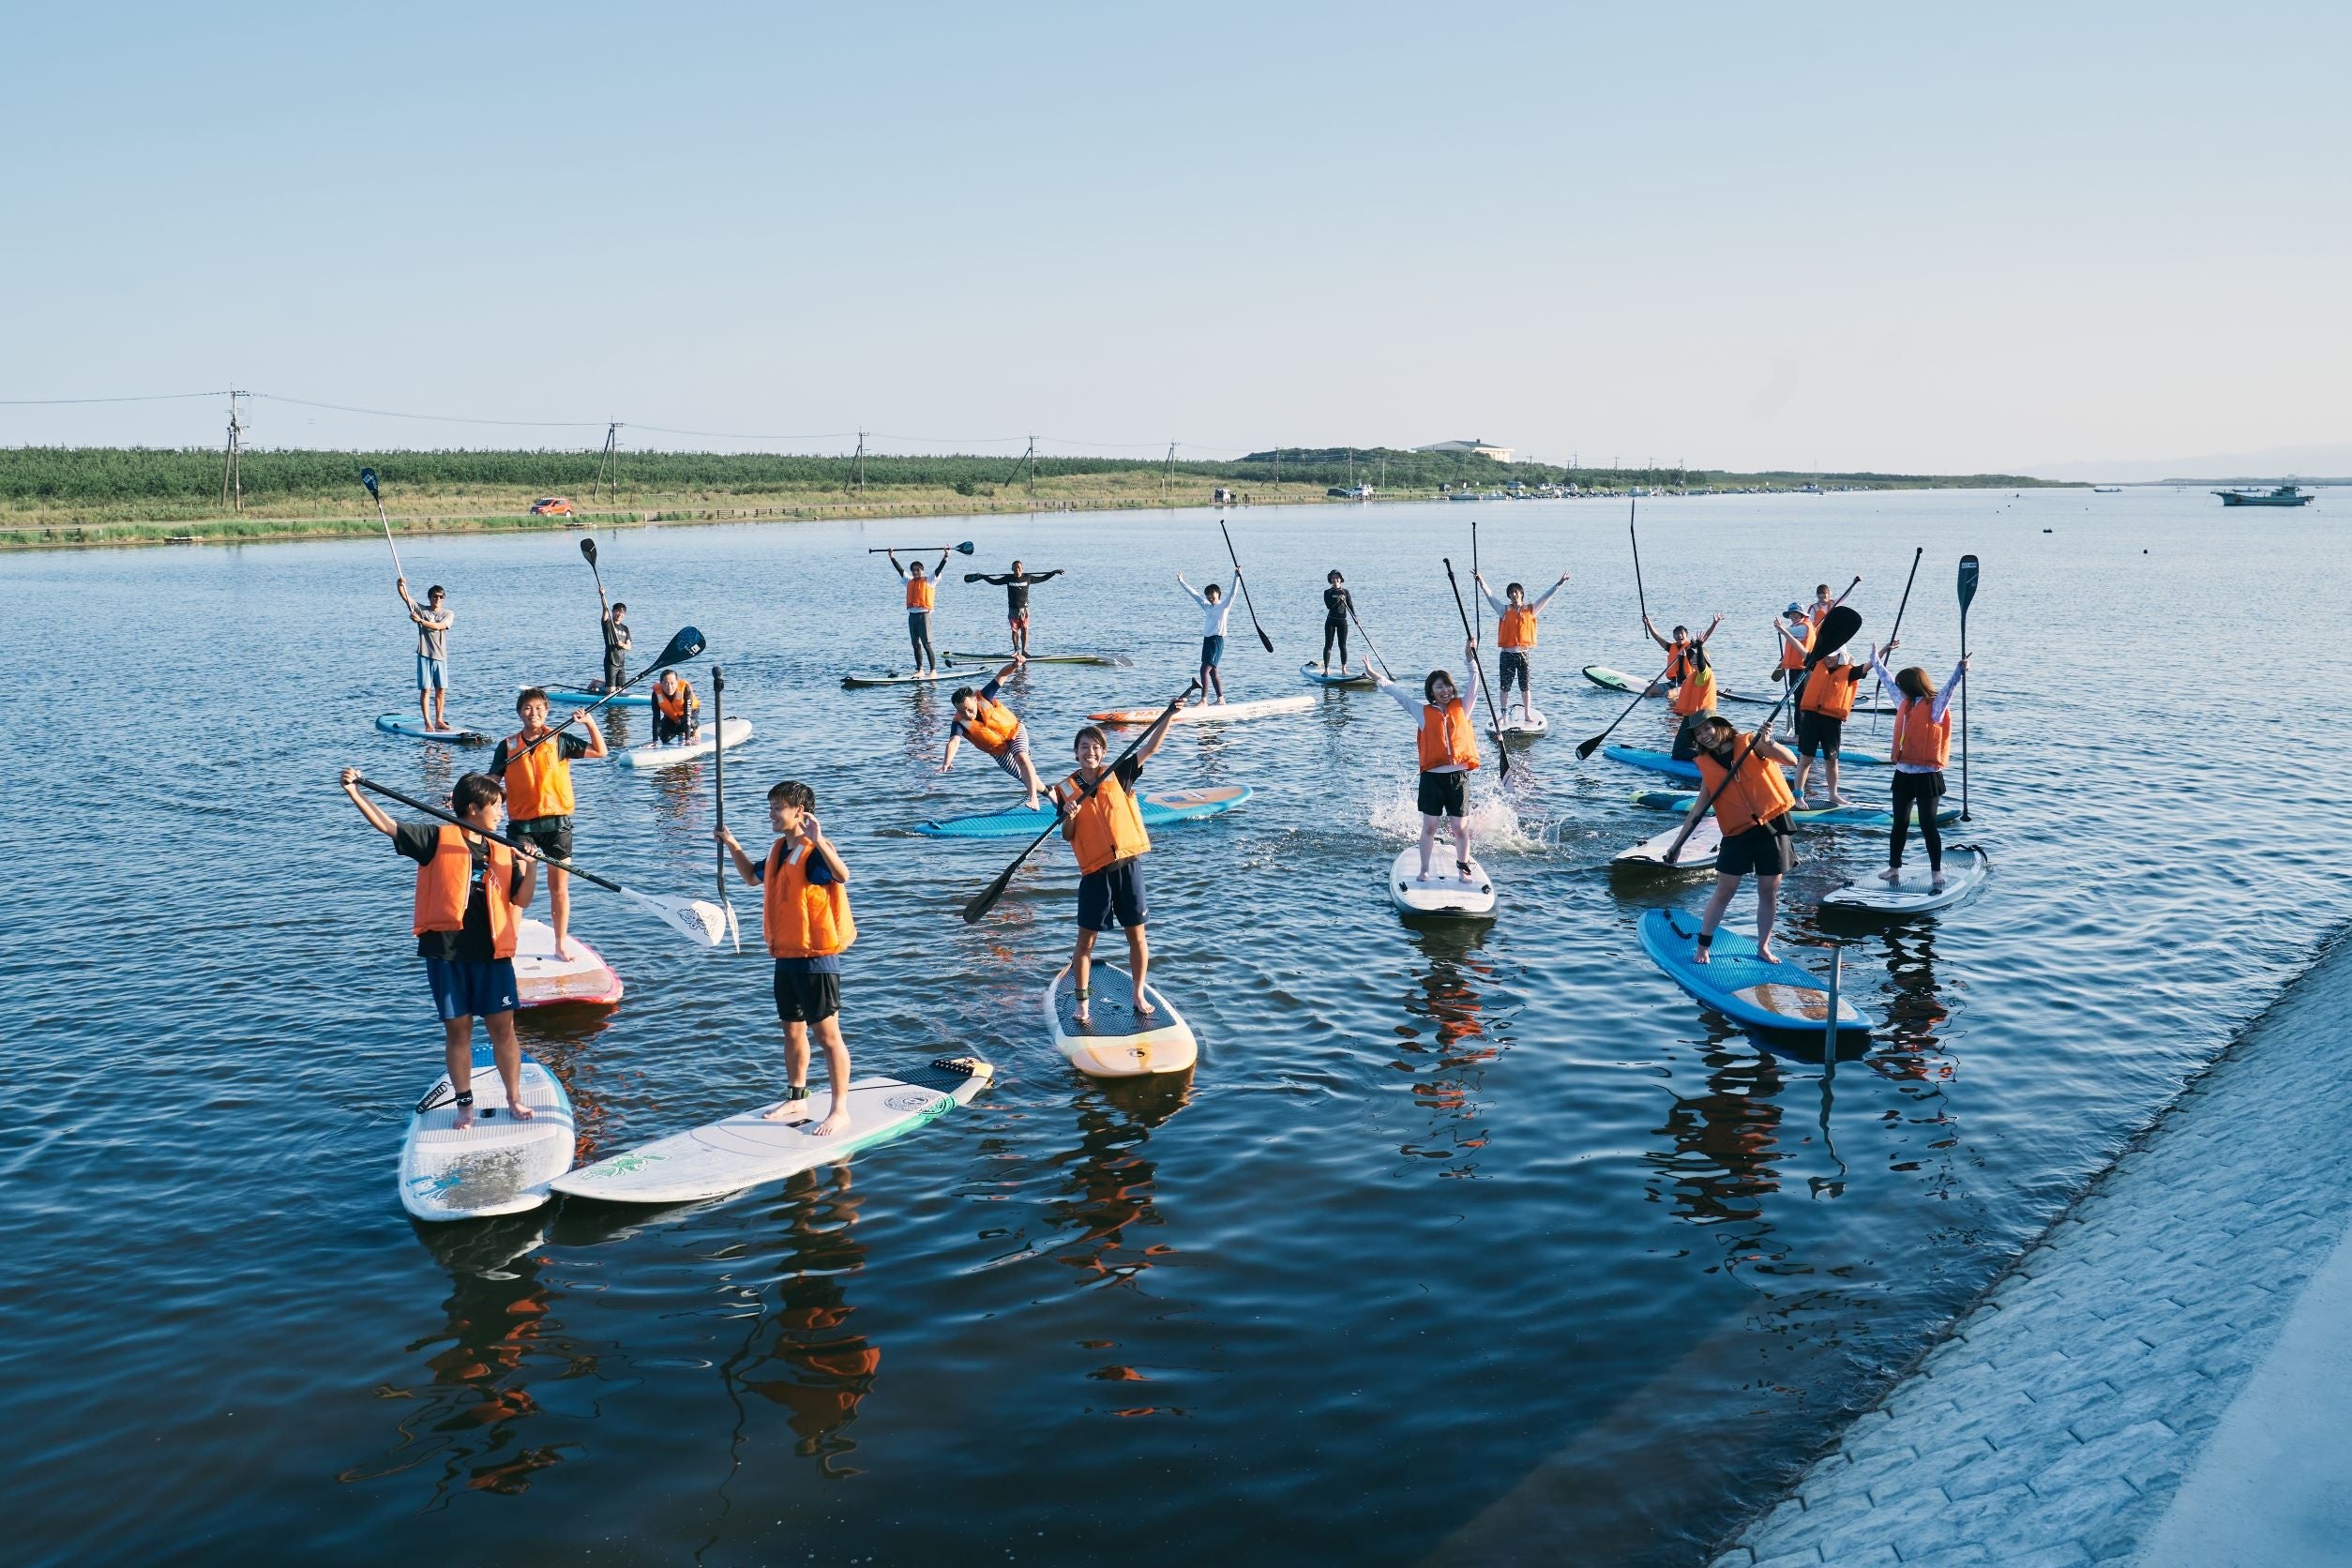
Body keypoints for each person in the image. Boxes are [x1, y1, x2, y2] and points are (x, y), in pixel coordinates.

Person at [341, 766, 537, 1131]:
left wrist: (532, 867)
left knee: (503, 1030)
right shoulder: (435, 837)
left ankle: (514, 1097)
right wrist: (355, 792)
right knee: (458, 1032)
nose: (501, 813)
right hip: (447, 953)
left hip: (492, 954)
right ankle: (465, 1105)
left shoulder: (504, 849)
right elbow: (388, 826)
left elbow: (521, 899)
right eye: (496, 806)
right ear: (475, 808)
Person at [716, 780, 853, 1137]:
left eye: (778, 807)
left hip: (816, 959)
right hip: (786, 957)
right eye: (771, 806)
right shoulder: (779, 850)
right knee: (792, 1032)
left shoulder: (813, 854)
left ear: (800, 812)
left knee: (827, 1036)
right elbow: (750, 877)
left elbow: (843, 875)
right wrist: (732, 845)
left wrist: (820, 838)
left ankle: (840, 1110)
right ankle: (797, 1097)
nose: (772, 813)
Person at [1053, 701, 1185, 1022]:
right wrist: (1070, 815)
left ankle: (1138, 992)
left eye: (1096, 747)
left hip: (1127, 868)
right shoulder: (1065, 791)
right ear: (1076, 753)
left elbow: (1150, 748)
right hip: (1095, 875)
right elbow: (1067, 834)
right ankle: (1082, 1003)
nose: (1091, 752)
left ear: (1103, 752)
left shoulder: (1120, 773)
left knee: (1137, 936)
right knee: (1085, 943)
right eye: (1084, 747)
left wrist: (1168, 715)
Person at [1674, 714, 1801, 965]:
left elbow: (1792, 760)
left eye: (1706, 729)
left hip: (1772, 826)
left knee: (1768, 891)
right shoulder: (1707, 763)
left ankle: (1763, 947)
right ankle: (1703, 947)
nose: (1704, 736)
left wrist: (1770, 742)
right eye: (1698, 735)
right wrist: (1677, 846)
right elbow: (1697, 811)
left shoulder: (1752, 742)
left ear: (1720, 727)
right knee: (1725, 890)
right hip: (1738, 832)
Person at [491, 688, 608, 960]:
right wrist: (463, 796)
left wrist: (589, 723)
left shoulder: (560, 740)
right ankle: (509, 941)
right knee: (516, 889)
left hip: (558, 827)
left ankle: (560, 944)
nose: (534, 713)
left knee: (559, 889)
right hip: (522, 828)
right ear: (520, 712)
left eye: (539, 708)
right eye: (528, 708)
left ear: (547, 711)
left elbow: (601, 752)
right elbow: (492, 782)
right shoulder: (507, 746)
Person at [1375, 641, 1484, 882]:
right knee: (1430, 827)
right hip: (1432, 778)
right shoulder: (1422, 712)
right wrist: (1377, 677)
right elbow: (1399, 695)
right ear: (1431, 692)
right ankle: (1424, 870)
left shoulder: (1463, 708)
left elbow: (1475, 683)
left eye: (1447, 686)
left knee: (1460, 828)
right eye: (1438, 687)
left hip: (1458, 778)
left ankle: (1462, 870)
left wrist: (1470, 658)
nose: (1444, 691)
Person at [1869, 641, 1969, 889]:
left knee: (1927, 824)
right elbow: (1887, 680)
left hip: (1927, 776)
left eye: (1903, 686)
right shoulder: (1902, 701)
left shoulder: (1934, 706)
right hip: (1903, 773)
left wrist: (1959, 670)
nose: (1899, 690)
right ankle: (1894, 868)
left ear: (1912, 685)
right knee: (1899, 823)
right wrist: (1875, 659)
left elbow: (1949, 690)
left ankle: (1936, 871)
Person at [942, 661, 1047, 810]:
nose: (967, 714)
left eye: (969, 709)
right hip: (998, 750)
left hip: (1014, 731)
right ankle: (1052, 794)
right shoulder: (959, 723)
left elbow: (1001, 675)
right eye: (961, 711)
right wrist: (947, 762)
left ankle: (1033, 799)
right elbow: (953, 742)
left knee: (1022, 757)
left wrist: (1015, 665)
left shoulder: (985, 696)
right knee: (1026, 778)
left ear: (974, 700)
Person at [1476, 566, 1570, 723]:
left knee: (1525, 687)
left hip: (1523, 654)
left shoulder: (1531, 609)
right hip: (1507, 654)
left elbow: (1545, 597)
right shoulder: (1504, 610)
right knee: (1504, 687)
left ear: (1521, 593)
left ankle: (1527, 714)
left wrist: (1559, 584)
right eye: (1511, 592)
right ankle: (1504, 715)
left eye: (1516, 592)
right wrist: (1481, 581)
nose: (1513, 594)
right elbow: (1490, 596)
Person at [1792, 645, 1868, 806]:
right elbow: (1802, 652)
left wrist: (1882, 652)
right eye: (1826, 655)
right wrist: (1784, 632)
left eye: (1832, 656)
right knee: (1806, 759)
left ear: (1841, 656)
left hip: (1832, 722)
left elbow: (1869, 666)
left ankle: (1833, 795)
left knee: (1832, 760)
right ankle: (1798, 796)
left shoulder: (1850, 672)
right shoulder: (1817, 664)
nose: (1828, 658)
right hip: (1811, 719)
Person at [972, 560, 1063, 660]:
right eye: (1015, 568)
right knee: (1014, 631)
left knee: (1025, 629)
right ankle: (1016, 650)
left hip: (1025, 610)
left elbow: (1043, 578)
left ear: (1022, 569)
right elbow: (995, 582)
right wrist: (983, 576)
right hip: (1013, 610)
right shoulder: (1008, 578)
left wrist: (1054, 572)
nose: (1017, 569)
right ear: (1012, 569)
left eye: (1019, 568)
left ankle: (1024, 651)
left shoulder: (1028, 577)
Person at [399, 579, 454, 731]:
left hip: (440, 656)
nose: (438, 599)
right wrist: (400, 586)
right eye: (435, 596)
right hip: (424, 654)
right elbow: (406, 598)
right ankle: (427, 721)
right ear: (430, 597)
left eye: (441, 597)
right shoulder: (421, 610)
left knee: (441, 689)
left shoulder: (448, 613)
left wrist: (421, 622)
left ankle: (439, 720)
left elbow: (439, 626)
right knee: (426, 689)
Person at [1177, 571, 1236, 703]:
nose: (1209, 597)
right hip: (1207, 641)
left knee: (1204, 670)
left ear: (1218, 593)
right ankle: (1221, 699)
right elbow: (1194, 595)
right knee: (1212, 673)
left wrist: (1236, 576)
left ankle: (1203, 700)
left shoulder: (1224, 605)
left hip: (1216, 641)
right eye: (1208, 595)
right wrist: (1182, 581)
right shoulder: (1207, 606)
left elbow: (1233, 593)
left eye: (1212, 594)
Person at [889, 548, 949, 672]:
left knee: (926, 644)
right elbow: (900, 570)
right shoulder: (909, 581)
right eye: (913, 571)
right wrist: (892, 556)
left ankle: (933, 671)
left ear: (922, 570)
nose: (916, 573)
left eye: (918, 570)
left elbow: (939, 569)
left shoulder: (929, 580)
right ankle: (920, 669)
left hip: (924, 616)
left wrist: (946, 556)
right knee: (915, 645)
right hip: (912, 617)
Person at [650, 669, 700, 746]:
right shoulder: (656, 694)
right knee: (664, 737)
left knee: (686, 724)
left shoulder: (685, 689)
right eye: (666, 683)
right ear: (661, 684)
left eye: (672, 683)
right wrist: (655, 741)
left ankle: (695, 729)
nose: (669, 687)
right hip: (673, 714)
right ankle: (681, 731)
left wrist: (687, 739)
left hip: (690, 713)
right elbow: (656, 718)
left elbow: (687, 716)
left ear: (677, 682)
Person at [1320, 570, 1357, 673]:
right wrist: (1338, 600)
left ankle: (1343, 668)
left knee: (1343, 645)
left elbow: (1350, 606)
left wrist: (1355, 618)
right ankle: (1326, 669)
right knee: (1328, 645)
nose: (1335, 580)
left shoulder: (1346, 592)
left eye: (1337, 578)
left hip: (1342, 621)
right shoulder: (1327, 592)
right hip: (1331, 621)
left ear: (1340, 579)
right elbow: (1329, 606)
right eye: (1333, 578)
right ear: (1330, 580)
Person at [1772, 602, 1814, 690]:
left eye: (1796, 613)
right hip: (1795, 665)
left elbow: (1783, 631)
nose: (1792, 616)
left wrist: (1779, 626)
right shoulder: (1798, 625)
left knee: (1799, 692)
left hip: (1802, 666)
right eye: (1791, 613)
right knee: (1794, 690)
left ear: (1802, 614)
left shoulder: (1803, 628)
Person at [598, 596, 630, 694]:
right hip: (610, 661)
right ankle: (596, 684)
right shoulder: (608, 624)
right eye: (618, 611)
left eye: (623, 612)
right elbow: (605, 609)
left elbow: (629, 646)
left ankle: (603, 683)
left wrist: (622, 645)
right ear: (613, 611)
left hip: (621, 663)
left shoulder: (625, 628)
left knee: (622, 692)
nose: (620, 614)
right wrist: (602, 595)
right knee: (611, 692)